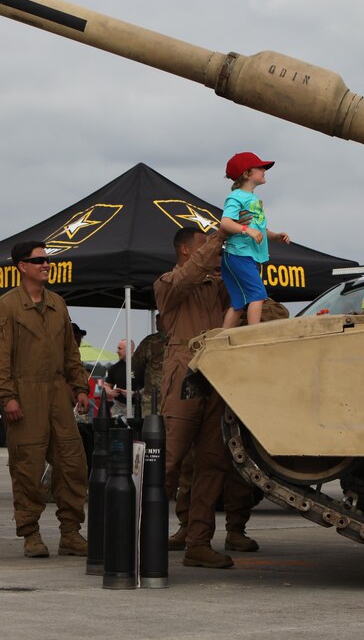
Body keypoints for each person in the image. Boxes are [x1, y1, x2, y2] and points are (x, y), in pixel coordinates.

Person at [155, 226, 259, 569]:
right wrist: (217, 237)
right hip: (184, 375)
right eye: (205, 248)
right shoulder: (168, 284)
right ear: (187, 251)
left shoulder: (221, 287)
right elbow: (186, 280)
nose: (214, 253)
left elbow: (254, 303)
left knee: (213, 463)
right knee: (167, 462)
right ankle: (143, 536)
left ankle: (198, 542)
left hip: (216, 378)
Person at [0, 241, 90, 558]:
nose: (46, 264)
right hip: (24, 394)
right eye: (39, 260)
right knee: (27, 468)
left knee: (73, 464)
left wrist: (80, 387)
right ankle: (31, 534)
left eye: (48, 260)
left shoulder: (58, 303)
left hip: (58, 393)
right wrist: (7, 397)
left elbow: (71, 352)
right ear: (22, 266)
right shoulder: (6, 306)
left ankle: (71, 533)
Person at [218, 151, 290, 328]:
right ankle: (253, 335)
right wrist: (246, 230)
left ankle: (220, 339)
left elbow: (260, 229)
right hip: (238, 255)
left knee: (238, 304)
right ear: (246, 174)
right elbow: (225, 222)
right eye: (260, 167)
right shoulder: (235, 197)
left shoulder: (254, 199)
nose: (264, 169)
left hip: (245, 256)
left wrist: (274, 236)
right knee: (257, 295)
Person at [132, 313, 167, 416]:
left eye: (158, 319)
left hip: (153, 397)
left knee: (150, 427)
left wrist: (137, 381)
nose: (156, 322)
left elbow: (135, 365)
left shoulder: (151, 341)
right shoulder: (181, 339)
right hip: (175, 396)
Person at [103, 339, 141, 418]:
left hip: (139, 406)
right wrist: (110, 392)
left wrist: (135, 394)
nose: (117, 351)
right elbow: (106, 386)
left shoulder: (142, 366)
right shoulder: (114, 368)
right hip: (119, 407)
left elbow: (150, 387)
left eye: (120, 348)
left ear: (129, 349)